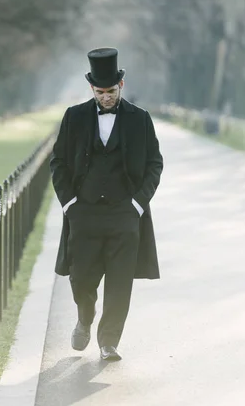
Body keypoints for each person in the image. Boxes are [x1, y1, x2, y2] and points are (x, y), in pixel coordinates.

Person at [50, 47, 163, 361]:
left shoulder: (140, 119)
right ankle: (85, 318)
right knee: (81, 277)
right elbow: (58, 162)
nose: (106, 97)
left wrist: (138, 205)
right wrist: (69, 203)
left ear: (121, 86)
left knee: (120, 280)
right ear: (92, 89)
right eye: (100, 92)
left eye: (111, 91)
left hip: (125, 215)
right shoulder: (73, 117)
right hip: (83, 213)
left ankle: (108, 342)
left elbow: (155, 163)